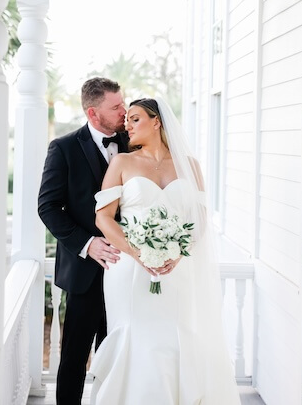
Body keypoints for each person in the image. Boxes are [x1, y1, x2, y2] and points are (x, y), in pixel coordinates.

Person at [89, 97, 241, 405]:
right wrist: (136, 252)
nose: (126, 125)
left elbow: (199, 219)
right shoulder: (122, 163)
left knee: (177, 336)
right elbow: (103, 217)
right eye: (126, 120)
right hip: (131, 269)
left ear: (156, 121)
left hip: (177, 268)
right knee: (140, 339)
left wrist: (180, 253)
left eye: (134, 119)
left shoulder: (189, 165)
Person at [38, 77, 129, 405]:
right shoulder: (63, 148)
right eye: (116, 106)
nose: (124, 111)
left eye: (124, 102)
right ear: (93, 113)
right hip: (83, 273)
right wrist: (87, 244)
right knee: (74, 359)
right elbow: (47, 207)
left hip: (126, 271)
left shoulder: (133, 142)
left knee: (119, 356)